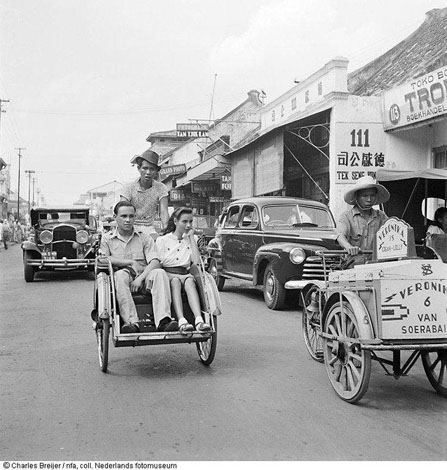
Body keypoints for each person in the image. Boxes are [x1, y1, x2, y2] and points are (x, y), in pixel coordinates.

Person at [100, 201, 178, 334]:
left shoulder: (143, 237)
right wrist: (129, 262)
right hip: (123, 278)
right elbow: (103, 259)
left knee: (159, 272)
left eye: (131, 216)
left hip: (144, 277)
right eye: (123, 216)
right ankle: (131, 322)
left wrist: (140, 279)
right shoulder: (107, 239)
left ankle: (164, 320)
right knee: (119, 276)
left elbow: (154, 261)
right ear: (115, 218)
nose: (128, 220)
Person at [155, 207, 211, 334]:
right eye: (184, 222)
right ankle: (181, 320)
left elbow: (196, 261)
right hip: (168, 274)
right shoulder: (162, 240)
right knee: (175, 282)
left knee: (190, 282)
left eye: (191, 222)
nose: (188, 225)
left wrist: (191, 239)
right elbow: (159, 262)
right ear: (175, 221)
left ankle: (199, 320)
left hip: (185, 274)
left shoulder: (192, 239)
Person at [337, 175, 389, 266]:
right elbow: (340, 236)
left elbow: (391, 232)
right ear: (357, 197)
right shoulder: (346, 217)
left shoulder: (381, 216)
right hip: (353, 265)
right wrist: (349, 247)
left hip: (376, 264)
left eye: (372, 195)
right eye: (365, 196)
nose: (369, 199)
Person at [120, 149, 169, 237]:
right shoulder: (129, 187)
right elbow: (122, 210)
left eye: (152, 169)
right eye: (145, 168)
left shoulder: (161, 188)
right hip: (130, 227)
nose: (148, 172)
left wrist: (167, 230)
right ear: (139, 168)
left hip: (149, 229)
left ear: (156, 171)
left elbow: (164, 212)